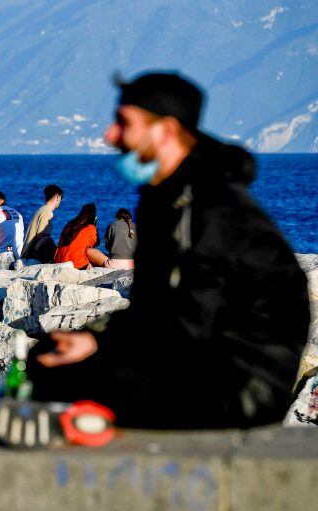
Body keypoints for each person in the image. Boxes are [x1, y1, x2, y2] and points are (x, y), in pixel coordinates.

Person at [29, 71, 310, 429]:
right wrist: (93, 337)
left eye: (123, 122)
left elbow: (191, 321)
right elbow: (153, 307)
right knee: (46, 359)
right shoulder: (166, 198)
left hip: (242, 382)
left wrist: (106, 355)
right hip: (196, 355)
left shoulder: (210, 206)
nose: (110, 135)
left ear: (165, 131)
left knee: (69, 381)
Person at [53, 203, 104, 270]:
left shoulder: (70, 223)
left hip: (58, 260)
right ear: (93, 216)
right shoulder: (90, 228)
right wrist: (95, 225)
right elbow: (93, 245)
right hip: (76, 263)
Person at [21, 184, 63, 263]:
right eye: (61, 198)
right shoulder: (48, 212)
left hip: (27, 251)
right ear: (58, 197)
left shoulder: (41, 209)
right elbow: (42, 236)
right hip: (30, 255)